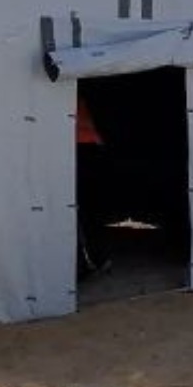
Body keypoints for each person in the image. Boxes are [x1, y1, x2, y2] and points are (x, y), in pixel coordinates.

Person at [76, 95, 111, 278]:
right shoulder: (82, 99)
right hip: (92, 149)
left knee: (84, 211)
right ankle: (97, 259)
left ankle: (90, 262)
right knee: (90, 211)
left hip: (83, 150)